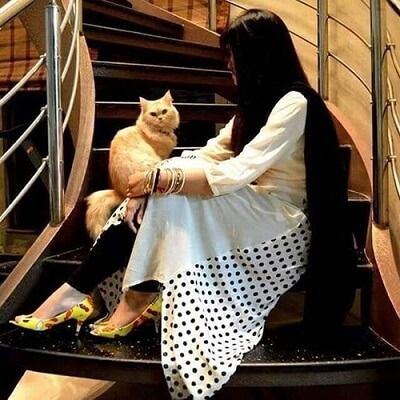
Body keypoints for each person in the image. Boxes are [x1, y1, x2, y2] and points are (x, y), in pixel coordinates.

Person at [10, 9, 356, 399]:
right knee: (168, 193)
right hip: (250, 206)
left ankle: (107, 297)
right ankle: (93, 295)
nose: (229, 65)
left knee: (172, 194)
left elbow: (241, 169)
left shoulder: (294, 101)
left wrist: (158, 180)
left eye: (234, 55)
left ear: (259, 56)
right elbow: (211, 153)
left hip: (281, 219)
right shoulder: (255, 104)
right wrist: (155, 180)